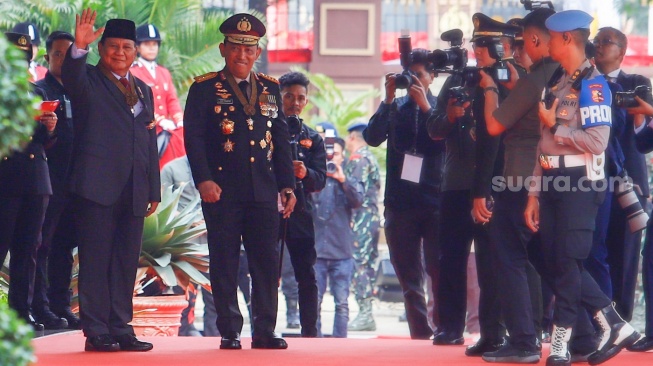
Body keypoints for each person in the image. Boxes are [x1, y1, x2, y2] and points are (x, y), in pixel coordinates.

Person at [523, 10, 639, 365]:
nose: (547, 43)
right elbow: (542, 143)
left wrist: (555, 127)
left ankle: (561, 343)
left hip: (580, 183)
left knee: (567, 261)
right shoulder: (560, 80)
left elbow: (597, 141)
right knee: (553, 259)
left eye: (552, 37)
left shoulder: (593, 84)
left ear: (568, 39)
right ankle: (614, 323)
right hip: (552, 179)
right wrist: (533, 192)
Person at [184, 13, 296, 350]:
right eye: (235, 48)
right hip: (222, 191)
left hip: (263, 190)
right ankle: (230, 330)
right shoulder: (204, 88)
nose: (242, 56)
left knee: (265, 262)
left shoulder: (271, 88)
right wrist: (203, 180)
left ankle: (265, 330)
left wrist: (287, 186)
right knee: (224, 262)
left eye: (249, 50)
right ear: (223, 49)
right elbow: (194, 139)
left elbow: (281, 141)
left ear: (257, 51)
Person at [61, 9, 160, 352]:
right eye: (113, 46)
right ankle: (96, 329)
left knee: (124, 262)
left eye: (127, 47)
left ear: (135, 52)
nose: (120, 52)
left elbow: (149, 140)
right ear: (101, 49)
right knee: (96, 259)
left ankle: (121, 327)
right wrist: (78, 47)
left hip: (134, 189)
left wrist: (154, 188)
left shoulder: (144, 89)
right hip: (96, 187)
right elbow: (70, 77)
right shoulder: (87, 79)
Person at [364, 48, 444, 340]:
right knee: (409, 279)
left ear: (432, 77)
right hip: (400, 203)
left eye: (420, 75)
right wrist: (386, 99)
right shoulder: (394, 107)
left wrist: (425, 107)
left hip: (435, 201)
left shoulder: (441, 109)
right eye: (409, 76)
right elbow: (372, 138)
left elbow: (445, 144)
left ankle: (444, 330)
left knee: (438, 272)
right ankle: (420, 336)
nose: (414, 82)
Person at [587, 26, 652, 322]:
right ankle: (599, 321)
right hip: (589, 180)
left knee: (626, 255)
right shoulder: (585, 83)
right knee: (592, 251)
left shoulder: (635, 83)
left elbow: (637, 131)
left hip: (630, 181)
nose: (598, 46)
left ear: (622, 52)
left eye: (606, 42)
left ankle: (623, 320)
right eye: (596, 41)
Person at [0, 31, 58, 336]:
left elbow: (43, 142)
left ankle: (21, 314)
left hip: (36, 179)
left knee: (28, 251)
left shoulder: (36, 92)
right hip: (5, 180)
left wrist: (49, 127)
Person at [31, 31, 80, 331]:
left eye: (68, 54)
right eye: (57, 53)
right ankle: (41, 307)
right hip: (49, 181)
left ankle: (62, 306)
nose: (62, 59)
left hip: (78, 183)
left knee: (65, 248)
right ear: (47, 56)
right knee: (43, 246)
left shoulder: (82, 89)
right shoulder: (39, 91)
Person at [277, 71, 326, 337]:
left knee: (306, 274)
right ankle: (265, 329)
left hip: (301, 214)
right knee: (264, 274)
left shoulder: (313, 138)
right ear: (278, 97)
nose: (295, 103)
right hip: (268, 211)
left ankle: (310, 333)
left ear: (306, 101)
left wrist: (304, 173)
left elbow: (320, 181)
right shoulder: (264, 131)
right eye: (289, 97)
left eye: (301, 98)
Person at [312, 137, 364, 338]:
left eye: (336, 154)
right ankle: (313, 342)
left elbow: (358, 200)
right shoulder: (315, 180)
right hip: (317, 252)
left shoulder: (349, 179)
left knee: (342, 303)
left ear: (343, 157)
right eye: (328, 155)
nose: (332, 159)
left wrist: (343, 180)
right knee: (313, 302)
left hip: (342, 253)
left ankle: (339, 343)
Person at [131, 23, 186, 169]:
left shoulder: (163, 72)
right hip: (147, 127)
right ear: (138, 47)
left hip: (166, 127)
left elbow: (172, 100)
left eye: (154, 44)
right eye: (147, 44)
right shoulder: (134, 73)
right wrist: (160, 121)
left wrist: (179, 119)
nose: (151, 48)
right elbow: (138, 103)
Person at [345, 121, 381, 332]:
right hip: (370, 218)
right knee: (366, 264)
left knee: (360, 265)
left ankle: (365, 313)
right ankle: (366, 312)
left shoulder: (358, 160)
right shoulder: (370, 157)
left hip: (361, 219)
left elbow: (354, 194)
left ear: (352, 138)